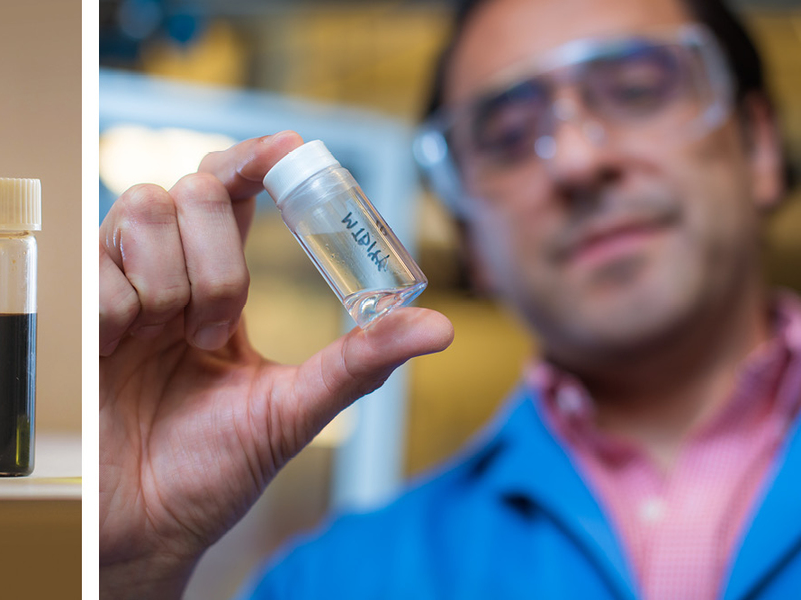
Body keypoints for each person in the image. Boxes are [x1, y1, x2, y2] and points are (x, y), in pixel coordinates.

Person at [99, 0, 800, 597]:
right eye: (507, 135)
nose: (581, 161)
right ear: (471, 238)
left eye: (639, 88)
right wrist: (129, 572)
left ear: (761, 145)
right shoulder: (335, 582)